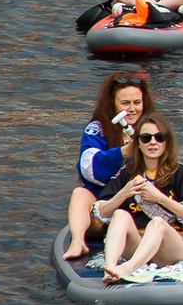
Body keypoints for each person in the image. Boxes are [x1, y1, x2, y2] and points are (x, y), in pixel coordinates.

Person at [92, 112, 183, 281]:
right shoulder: (126, 173)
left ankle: (128, 268)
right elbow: (100, 213)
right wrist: (123, 194)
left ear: (166, 142)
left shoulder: (182, 173)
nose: (153, 142)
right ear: (138, 143)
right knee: (120, 215)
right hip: (138, 243)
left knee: (158, 223)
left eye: (159, 137)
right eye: (146, 138)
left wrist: (159, 198)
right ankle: (110, 267)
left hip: (172, 248)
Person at [65, 71, 151, 260]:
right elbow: (88, 168)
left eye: (137, 103)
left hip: (139, 212)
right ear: (113, 103)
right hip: (104, 209)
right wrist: (122, 153)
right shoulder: (97, 129)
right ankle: (78, 241)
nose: (132, 109)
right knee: (79, 193)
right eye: (125, 103)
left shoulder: (152, 130)